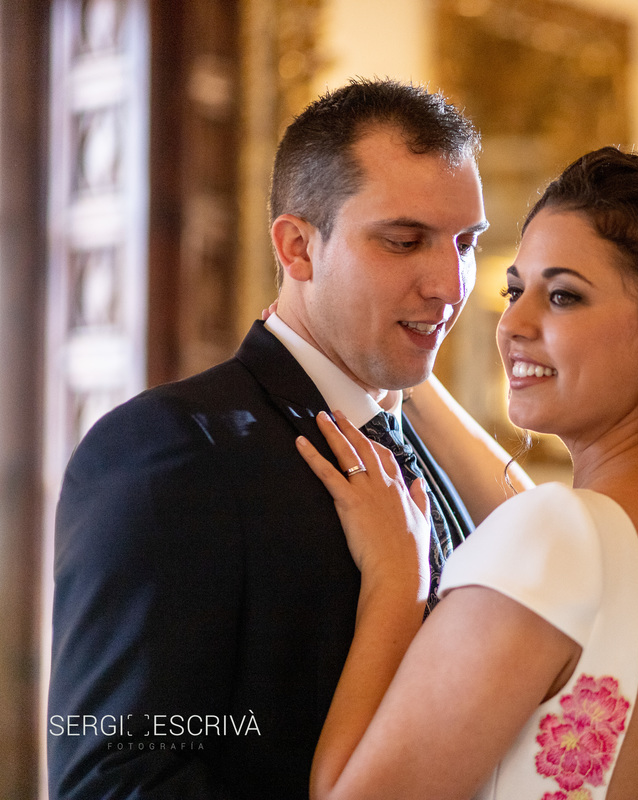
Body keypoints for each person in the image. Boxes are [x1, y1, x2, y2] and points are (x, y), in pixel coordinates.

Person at [47, 78, 527, 799]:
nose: (449, 285)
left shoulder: (425, 450)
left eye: (466, 243)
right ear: (298, 247)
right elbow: (115, 782)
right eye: (404, 241)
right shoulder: (171, 450)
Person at [298, 146, 638, 800]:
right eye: (514, 289)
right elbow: (545, 532)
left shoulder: (557, 539)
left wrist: (396, 582)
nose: (514, 324)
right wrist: (405, 376)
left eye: (563, 296)